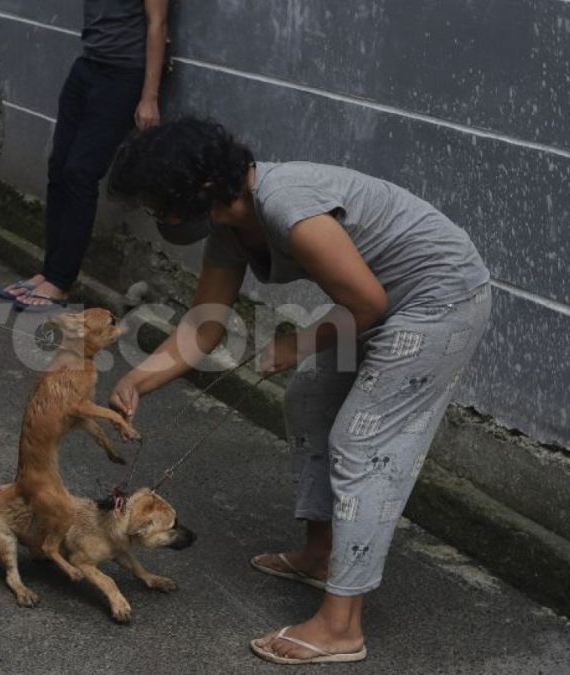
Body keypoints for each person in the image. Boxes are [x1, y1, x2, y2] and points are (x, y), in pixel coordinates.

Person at [106, 118, 491, 665]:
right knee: (309, 400)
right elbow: (204, 326)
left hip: (439, 300)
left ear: (197, 190)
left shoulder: (290, 207)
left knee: (363, 444)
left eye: (155, 202)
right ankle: (321, 552)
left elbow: (368, 306)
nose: (154, 214)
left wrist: (299, 344)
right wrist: (136, 378)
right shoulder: (228, 226)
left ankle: (341, 627)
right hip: (382, 297)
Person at [1, 0, 169, 311]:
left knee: (80, 172)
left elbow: (157, 24)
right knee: (59, 167)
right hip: (87, 67)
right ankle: (49, 271)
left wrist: (149, 97)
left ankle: (62, 281)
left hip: (122, 76)